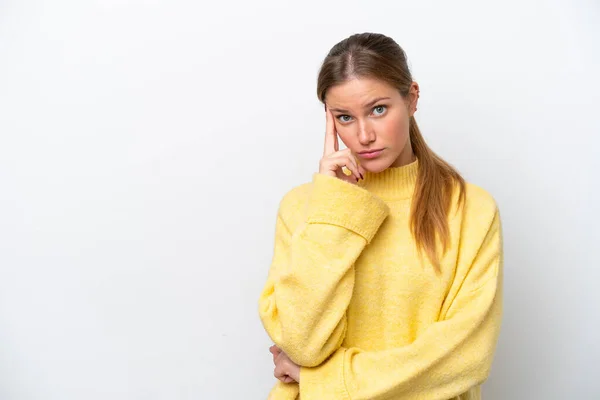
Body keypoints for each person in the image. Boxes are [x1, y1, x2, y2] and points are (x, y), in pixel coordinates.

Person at [257, 32, 503, 400]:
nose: (364, 135)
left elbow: (463, 358)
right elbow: (304, 344)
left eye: (378, 109)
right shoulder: (305, 209)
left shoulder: (471, 210)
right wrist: (335, 205)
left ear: (412, 98)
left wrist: (321, 382)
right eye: (344, 117)